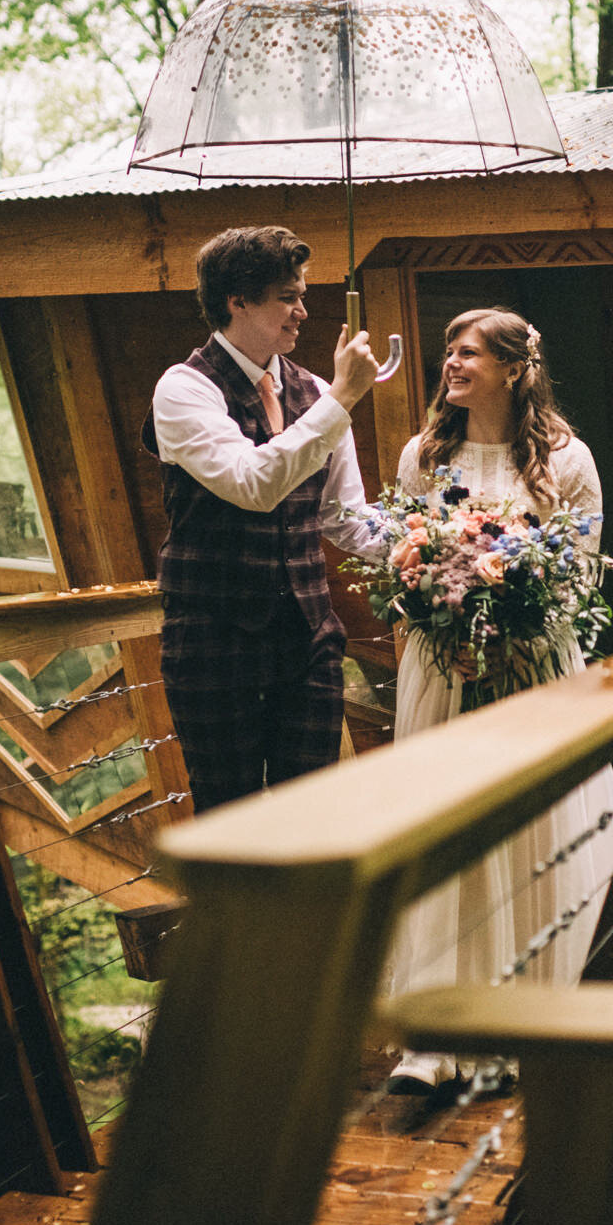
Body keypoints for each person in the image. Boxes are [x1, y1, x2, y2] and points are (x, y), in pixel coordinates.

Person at [383, 308, 613, 1096]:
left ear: (515, 368)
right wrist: (436, 612)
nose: (450, 362)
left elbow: (579, 574)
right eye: (448, 350)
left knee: (529, 830)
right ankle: (436, 1036)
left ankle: (536, 1013)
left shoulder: (568, 458)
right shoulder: (424, 455)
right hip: (443, 672)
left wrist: (514, 632)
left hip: (535, 669)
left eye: (468, 352)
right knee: (448, 835)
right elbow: (402, 557)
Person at [145, 224, 380, 810]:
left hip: (309, 643)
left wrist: (447, 551)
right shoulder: (184, 389)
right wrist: (342, 402)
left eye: (303, 295)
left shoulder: (316, 391)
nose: (304, 311)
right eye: (288, 297)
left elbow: (345, 519)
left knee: (313, 816)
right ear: (238, 300)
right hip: (213, 643)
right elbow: (252, 485)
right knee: (232, 821)